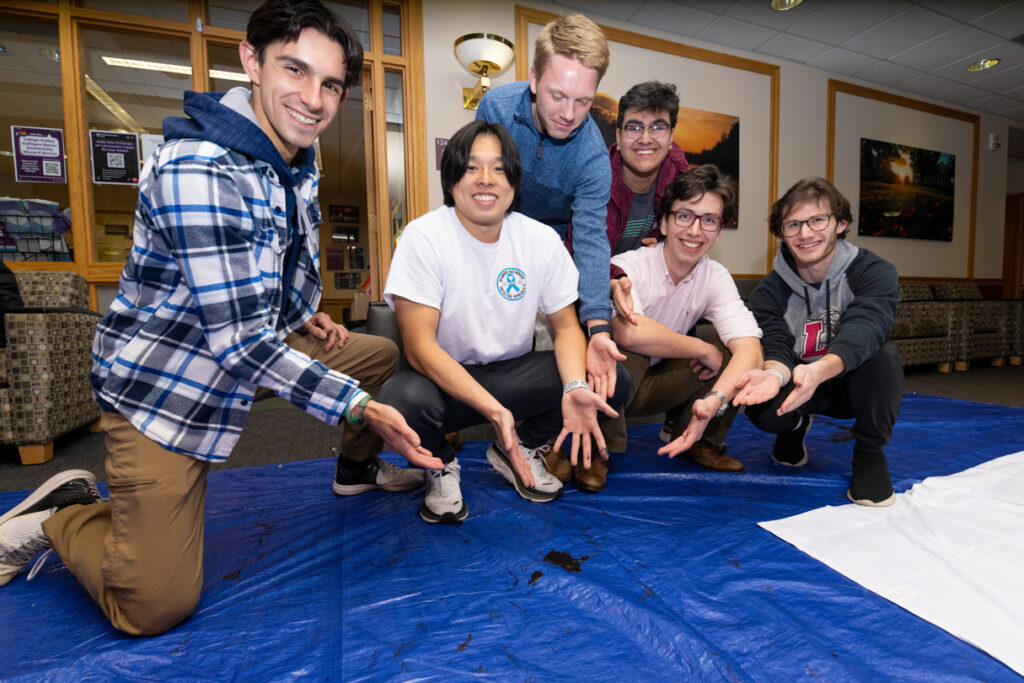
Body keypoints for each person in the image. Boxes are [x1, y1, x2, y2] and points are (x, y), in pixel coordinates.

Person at [0, 0, 441, 635]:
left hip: (235, 358)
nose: (313, 99)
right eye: (295, 70)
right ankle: (62, 516)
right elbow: (238, 342)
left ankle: (355, 470)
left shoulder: (294, 163)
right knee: (152, 607)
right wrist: (357, 408)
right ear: (251, 61)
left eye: (331, 84)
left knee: (377, 355)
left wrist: (302, 315)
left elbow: (265, 283)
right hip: (165, 391)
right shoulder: (199, 169)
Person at [378, 120, 626, 523]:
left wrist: (577, 386)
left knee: (607, 381)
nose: (486, 180)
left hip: (513, 375)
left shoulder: (539, 239)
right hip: (445, 381)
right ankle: (440, 463)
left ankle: (521, 447)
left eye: (498, 168)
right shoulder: (423, 236)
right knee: (401, 400)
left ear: (514, 180)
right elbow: (420, 348)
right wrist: (495, 412)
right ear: (452, 176)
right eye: (472, 167)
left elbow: (565, 328)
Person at [475, 13, 626, 404]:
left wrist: (599, 328)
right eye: (557, 95)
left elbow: (592, 238)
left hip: (550, 254)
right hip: (490, 234)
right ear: (533, 79)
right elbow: (473, 187)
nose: (570, 114)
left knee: (553, 353)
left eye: (584, 101)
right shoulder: (496, 108)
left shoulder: (593, 155)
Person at [734, 178, 902, 507]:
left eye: (817, 220)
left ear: (841, 223)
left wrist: (821, 370)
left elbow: (867, 325)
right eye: (793, 224)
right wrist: (776, 376)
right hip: (799, 384)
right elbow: (777, 345)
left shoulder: (874, 271)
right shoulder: (768, 292)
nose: (806, 234)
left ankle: (869, 453)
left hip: (848, 382)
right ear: (781, 233)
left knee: (885, 356)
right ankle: (794, 427)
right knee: (761, 396)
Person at [604, 166, 762, 477]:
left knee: (734, 353)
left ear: (718, 234)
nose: (695, 230)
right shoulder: (628, 265)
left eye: (709, 220)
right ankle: (600, 450)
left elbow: (752, 350)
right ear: (663, 223)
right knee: (628, 349)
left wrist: (716, 399)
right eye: (685, 216)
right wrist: (700, 348)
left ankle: (695, 437)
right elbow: (627, 331)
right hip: (615, 384)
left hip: (659, 383)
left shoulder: (715, 276)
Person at [606, 81, 689, 258]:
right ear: (619, 138)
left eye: (658, 128)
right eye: (635, 128)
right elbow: (578, 254)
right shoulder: (594, 181)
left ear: (671, 136)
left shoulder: (680, 182)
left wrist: (663, 249)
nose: (645, 139)